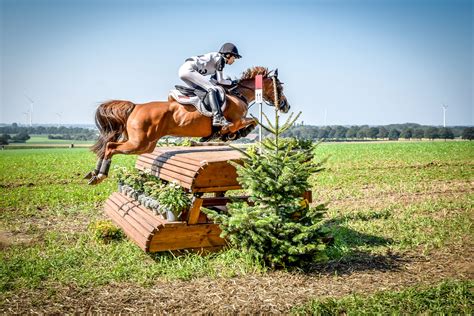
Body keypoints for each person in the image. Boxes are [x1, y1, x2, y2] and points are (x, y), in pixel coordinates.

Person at [178, 43, 241, 127]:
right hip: (189, 70)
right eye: (234, 58)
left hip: (183, 71)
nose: (234, 60)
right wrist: (233, 82)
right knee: (212, 89)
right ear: (228, 55)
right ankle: (218, 117)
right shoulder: (220, 59)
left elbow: (214, 81)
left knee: (204, 91)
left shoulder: (216, 61)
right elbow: (220, 80)